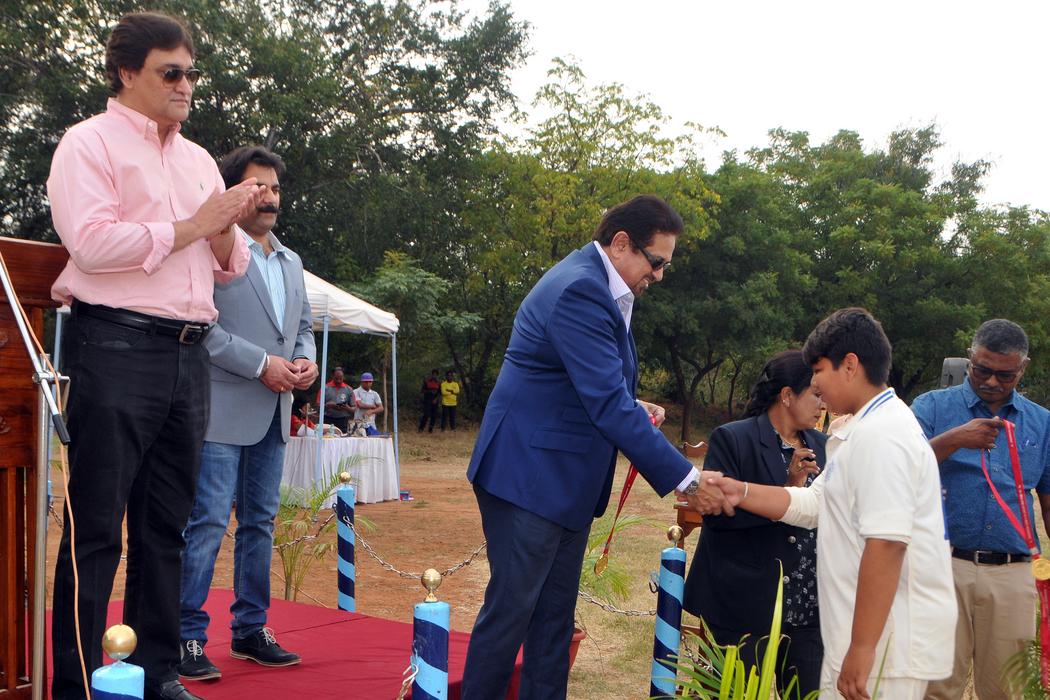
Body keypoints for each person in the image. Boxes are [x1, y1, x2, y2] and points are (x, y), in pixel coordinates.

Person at [47, 12, 261, 700]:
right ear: (126, 72)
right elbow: (91, 244)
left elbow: (232, 265)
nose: (186, 85)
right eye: (171, 72)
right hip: (115, 345)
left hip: (188, 355)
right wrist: (196, 224)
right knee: (96, 528)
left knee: (167, 525)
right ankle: (81, 682)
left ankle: (158, 672)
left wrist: (223, 228)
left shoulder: (197, 160)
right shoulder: (88, 144)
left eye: (192, 73)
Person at [462, 194, 730, 699]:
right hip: (528, 478)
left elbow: (589, 384)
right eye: (656, 262)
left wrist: (633, 403)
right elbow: (606, 404)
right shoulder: (581, 289)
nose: (659, 275)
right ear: (622, 243)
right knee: (511, 617)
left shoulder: (599, 285)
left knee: (553, 624)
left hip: (560, 483)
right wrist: (688, 479)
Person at [709, 308, 956, 699]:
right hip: (865, 636)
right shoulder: (862, 430)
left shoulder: (883, 436)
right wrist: (741, 491)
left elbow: (887, 543)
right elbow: (816, 503)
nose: (815, 385)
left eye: (819, 370)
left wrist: (863, 647)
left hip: (886, 644)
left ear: (850, 365)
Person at [177, 146, 317, 682]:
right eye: (258, 187)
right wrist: (262, 365)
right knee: (208, 522)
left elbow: (301, 326)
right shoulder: (211, 251)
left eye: (275, 188)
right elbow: (201, 328)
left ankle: (251, 629)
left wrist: (304, 360)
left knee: (260, 523)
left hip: (274, 412)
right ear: (232, 191)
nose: (269, 197)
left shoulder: (292, 261)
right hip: (219, 409)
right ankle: (186, 634)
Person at [912, 319, 1050, 700]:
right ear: (970, 357)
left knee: (1008, 690)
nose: (990, 381)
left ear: (1023, 368)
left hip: (1013, 573)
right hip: (942, 565)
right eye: (982, 369)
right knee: (935, 687)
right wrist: (955, 439)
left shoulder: (1042, 423)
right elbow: (901, 469)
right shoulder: (931, 407)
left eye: (1004, 375)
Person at [683, 349, 826, 696]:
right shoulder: (733, 439)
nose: (823, 404)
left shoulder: (825, 446)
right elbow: (717, 518)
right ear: (787, 395)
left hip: (808, 610)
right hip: (744, 609)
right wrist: (787, 490)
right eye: (816, 394)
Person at [321, 366, 355, 433]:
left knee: (342, 438)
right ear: (332, 376)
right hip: (328, 419)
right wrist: (327, 405)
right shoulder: (325, 388)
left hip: (343, 420)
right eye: (336, 378)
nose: (338, 381)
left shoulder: (349, 389)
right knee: (327, 437)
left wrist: (347, 408)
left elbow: (354, 408)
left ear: (343, 377)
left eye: (341, 378)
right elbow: (318, 406)